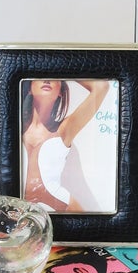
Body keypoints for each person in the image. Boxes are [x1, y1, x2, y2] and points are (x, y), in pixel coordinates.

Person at [21, 78, 109, 212]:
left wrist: (64, 66)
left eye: (54, 78)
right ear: (29, 88)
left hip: (60, 203)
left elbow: (101, 87)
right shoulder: (12, 126)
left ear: (61, 92)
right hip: (19, 209)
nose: (47, 80)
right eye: (40, 76)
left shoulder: (64, 130)